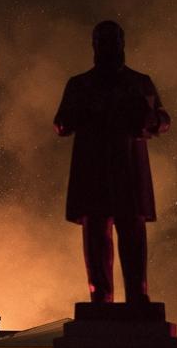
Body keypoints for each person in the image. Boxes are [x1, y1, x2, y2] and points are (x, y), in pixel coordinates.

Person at [54, 20, 170, 303]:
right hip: (95, 172)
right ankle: (101, 298)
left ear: (122, 44)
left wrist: (148, 118)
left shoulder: (140, 82)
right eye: (103, 42)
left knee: (132, 235)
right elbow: (61, 123)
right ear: (95, 46)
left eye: (113, 41)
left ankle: (136, 295)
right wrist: (88, 111)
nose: (109, 47)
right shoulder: (80, 85)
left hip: (127, 171)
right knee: (97, 236)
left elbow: (163, 119)